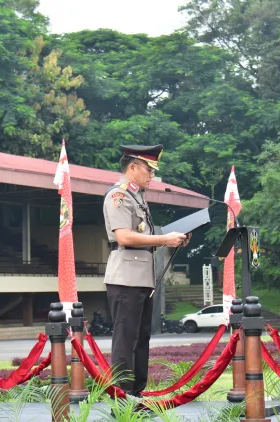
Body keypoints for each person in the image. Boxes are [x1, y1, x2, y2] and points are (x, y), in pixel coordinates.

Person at [102, 144, 188, 397]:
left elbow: (145, 236)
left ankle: (136, 393)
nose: (152, 175)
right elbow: (125, 237)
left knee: (141, 338)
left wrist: (175, 238)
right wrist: (164, 240)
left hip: (141, 277)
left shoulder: (138, 197)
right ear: (132, 167)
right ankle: (122, 396)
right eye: (149, 170)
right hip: (125, 277)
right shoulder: (118, 196)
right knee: (125, 339)